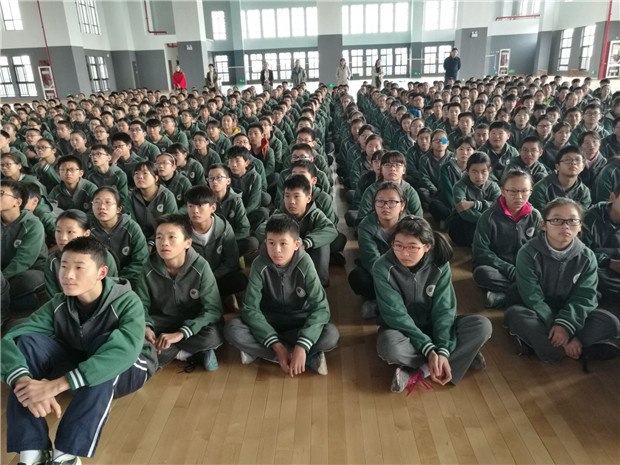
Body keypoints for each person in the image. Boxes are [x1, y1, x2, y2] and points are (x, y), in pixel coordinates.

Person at [1, 236, 156, 465]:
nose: (68, 275)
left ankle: (65, 455)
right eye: (64, 266)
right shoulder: (59, 303)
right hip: (78, 363)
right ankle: (32, 451)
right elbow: (10, 340)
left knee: (105, 353)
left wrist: (53, 386)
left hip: (130, 367)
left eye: (79, 268)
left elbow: (122, 353)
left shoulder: (127, 301)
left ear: (102, 272)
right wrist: (25, 384)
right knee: (27, 343)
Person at [374, 216, 492, 393]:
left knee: (482, 326)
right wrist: (428, 348)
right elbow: (396, 315)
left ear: (427, 246)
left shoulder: (439, 264)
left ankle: (421, 369)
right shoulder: (382, 267)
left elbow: (444, 309)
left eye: (412, 247)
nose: (404, 253)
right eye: (398, 245)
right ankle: (459, 356)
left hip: (434, 325)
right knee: (389, 347)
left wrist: (442, 349)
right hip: (403, 331)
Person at [504, 198, 620, 363]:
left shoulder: (587, 257)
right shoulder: (528, 253)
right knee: (515, 314)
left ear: (580, 226)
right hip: (537, 312)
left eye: (572, 221)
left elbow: (584, 296)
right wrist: (558, 326)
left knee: (611, 322)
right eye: (557, 220)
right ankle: (577, 347)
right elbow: (532, 297)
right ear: (544, 225)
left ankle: (554, 346)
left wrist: (566, 325)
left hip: (568, 310)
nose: (565, 226)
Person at [224, 214, 340, 376]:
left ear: (296, 244)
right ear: (265, 242)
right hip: (269, 321)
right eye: (271, 243)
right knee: (232, 329)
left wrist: (302, 344)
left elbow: (321, 308)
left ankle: (268, 352)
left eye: (283, 243)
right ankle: (302, 357)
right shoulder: (259, 264)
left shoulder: (305, 263)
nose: (276, 250)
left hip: (299, 321)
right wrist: (277, 346)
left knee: (331, 334)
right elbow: (250, 309)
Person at [135, 214, 223, 370]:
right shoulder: (148, 267)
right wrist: (146, 327)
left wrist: (181, 334)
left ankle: (171, 352)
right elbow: (140, 304)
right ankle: (192, 354)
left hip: (194, 323)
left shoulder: (201, 267)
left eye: (171, 237)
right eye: (159, 237)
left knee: (213, 335)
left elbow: (213, 310)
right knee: (135, 336)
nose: (164, 243)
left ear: (187, 243)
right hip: (162, 323)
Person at [472, 169, 542, 309]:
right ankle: (529, 293)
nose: (519, 196)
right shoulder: (488, 217)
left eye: (524, 191)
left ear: (531, 191)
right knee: (482, 273)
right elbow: (481, 251)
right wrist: (509, 270)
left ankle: (503, 297)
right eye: (513, 191)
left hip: (525, 269)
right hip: (499, 268)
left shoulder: (535, 216)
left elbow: (541, 249)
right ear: (503, 191)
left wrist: (525, 270)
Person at [349, 181, 406, 318]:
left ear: (402, 205)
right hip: (380, 273)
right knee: (358, 278)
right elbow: (372, 261)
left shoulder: (411, 225)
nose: (385, 206)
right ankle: (388, 302)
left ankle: (383, 304)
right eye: (380, 202)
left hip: (406, 273)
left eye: (392, 202)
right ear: (374, 205)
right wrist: (391, 281)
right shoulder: (366, 226)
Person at [1, 180, 47, 321]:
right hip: (3, 272)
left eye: (1, 193)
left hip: (27, 271)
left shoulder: (33, 225)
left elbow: (23, 261)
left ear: (17, 202)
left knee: (27, 281)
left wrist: (1, 279)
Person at [45, 209, 118, 299]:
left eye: (70, 232)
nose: (63, 237)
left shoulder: (103, 257)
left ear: (86, 233)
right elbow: (53, 298)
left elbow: (112, 291)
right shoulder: (52, 261)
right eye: (58, 231)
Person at [90, 186, 149, 290]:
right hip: (96, 283)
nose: (102, 207)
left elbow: (140, 262)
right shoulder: (87, 228)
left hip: (128, 282)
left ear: (119, 208)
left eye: (108, 202)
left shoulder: (132, 228)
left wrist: (118, 281)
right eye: (97, 202)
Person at [582, 183, 620, 302]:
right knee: (592, 275)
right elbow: (581, 253)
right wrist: (608, 262)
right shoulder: (590, 218)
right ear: (612, 198)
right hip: (599, 265)